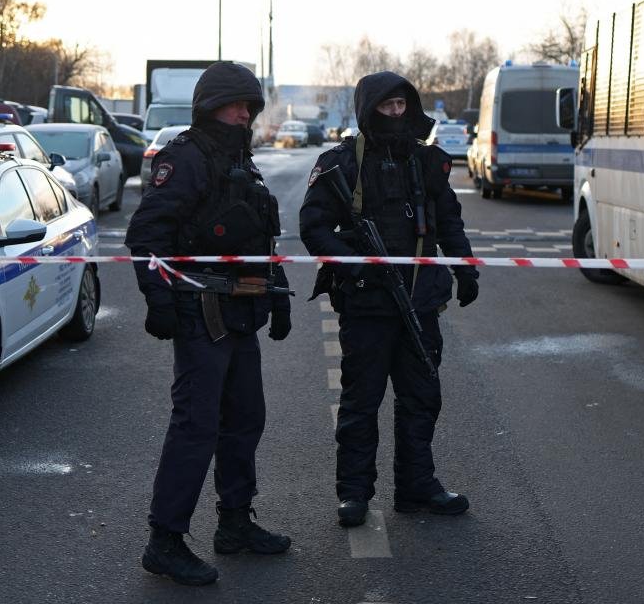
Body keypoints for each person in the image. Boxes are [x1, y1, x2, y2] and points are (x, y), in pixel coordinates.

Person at [125, 61, 292, 587]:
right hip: (201, 312)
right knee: (196, 427)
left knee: (246, 419)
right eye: (235, 105)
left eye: (250, 107)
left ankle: (235, 523)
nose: (245, 114)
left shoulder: (242, 161)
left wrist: (278, 293)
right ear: (211, 106)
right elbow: (146, 235)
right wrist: (158, 300)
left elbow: (260, 236)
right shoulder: (187, 158)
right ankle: (165, 540)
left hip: (242, 312)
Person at [299, 71, 479, 528]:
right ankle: (354, 492)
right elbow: (314, 228)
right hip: (367, 305)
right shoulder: (342, 163)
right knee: (361, 402)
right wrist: (358, 266)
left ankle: (417, 486)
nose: (396, 113)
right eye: (387, 106)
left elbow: (449, 220)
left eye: (402, 105)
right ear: (369, 110)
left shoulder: (426, 161)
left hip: (419, 301)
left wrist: (465, 268)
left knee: (421, 397)